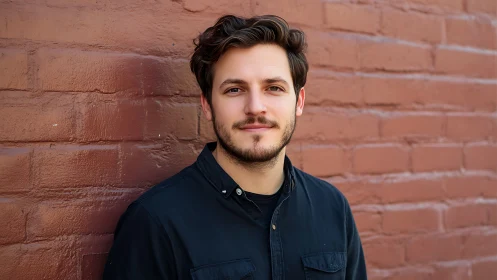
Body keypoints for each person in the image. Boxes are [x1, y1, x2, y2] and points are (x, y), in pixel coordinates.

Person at [103, 14, 367, 280]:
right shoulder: (156, 222)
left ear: (298, 101)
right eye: (234, 90)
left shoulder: (332, 209)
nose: (255, 107)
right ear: (207, 105)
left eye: (273, 88)